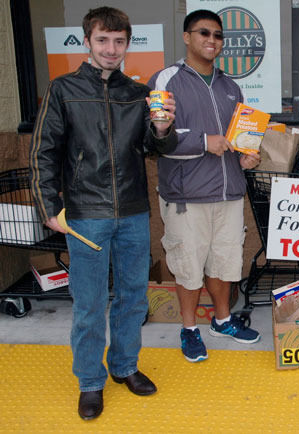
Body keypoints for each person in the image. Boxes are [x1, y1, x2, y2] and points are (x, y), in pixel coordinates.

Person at [29, 7, 177, 420]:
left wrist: (163, 129)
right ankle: (90, 381)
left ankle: (125, 366)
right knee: (90, 304)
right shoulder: (63, 90)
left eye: (119, 41)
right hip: (85, 213)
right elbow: (43, 152)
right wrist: (48, 207)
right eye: (103, 40)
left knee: (131, 299)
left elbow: (155, 147)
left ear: (128, 44)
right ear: (87, 41)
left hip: (132, 211)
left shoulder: (137, 92)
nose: (111, 49)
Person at [148, 9, 261, 364]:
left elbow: (237, 138)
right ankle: (189, 329)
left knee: (225, 264)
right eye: (203, 33)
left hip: (228, 194)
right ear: (187, 37)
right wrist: (202, 142)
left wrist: (248, 157)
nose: (212, 41)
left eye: (217, 35)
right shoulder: (167, 80)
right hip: (187, 197)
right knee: (188, 266)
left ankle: (222, 320)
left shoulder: (231, 86)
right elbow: (154, 138)